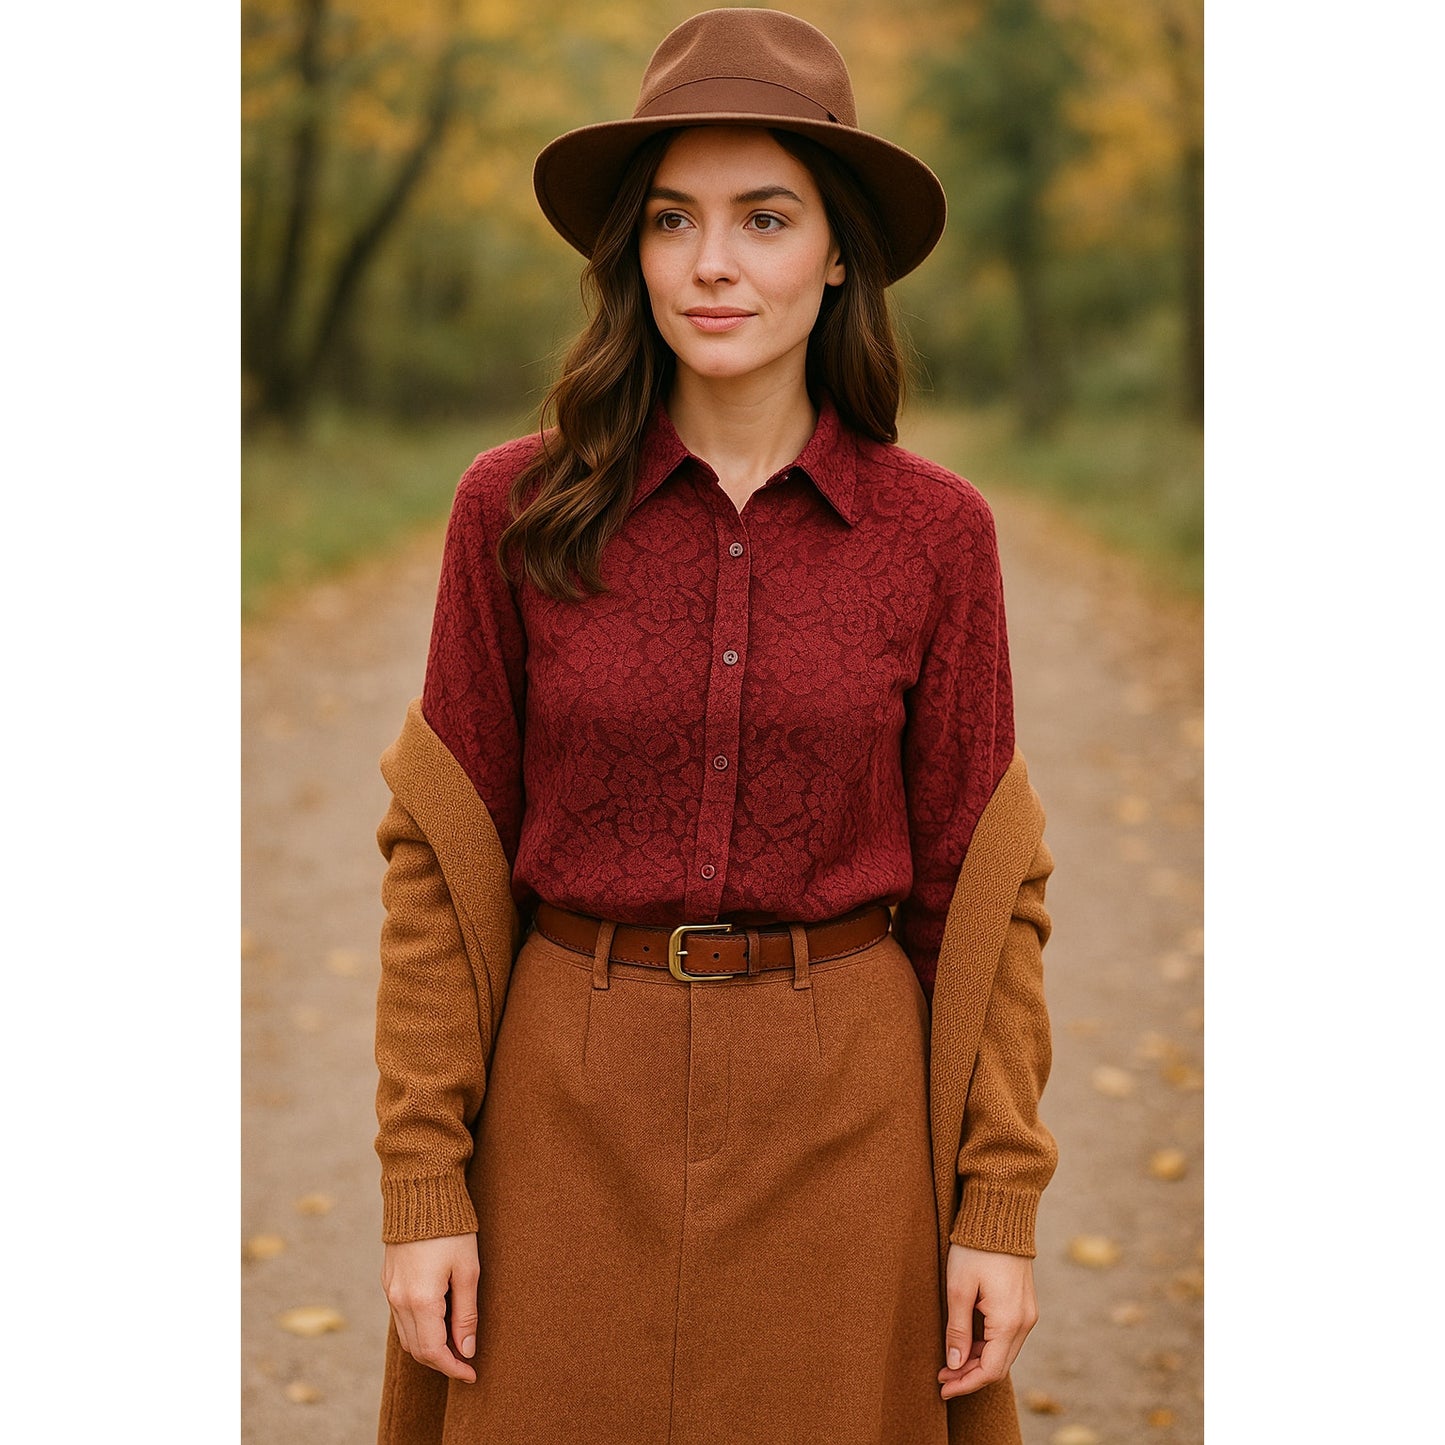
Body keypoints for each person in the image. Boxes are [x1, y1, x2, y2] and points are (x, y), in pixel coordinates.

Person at [372, 10, 1057, 1445]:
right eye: (673, 218)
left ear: (838, 253)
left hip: (846, 1122)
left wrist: (993, 1205)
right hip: (567, 1111)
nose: (712, 263)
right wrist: (425, 1184)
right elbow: (441, 865)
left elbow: (984, 895)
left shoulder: (936, 536)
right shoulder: (512, 511)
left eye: (765, 218)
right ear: (632, 251)